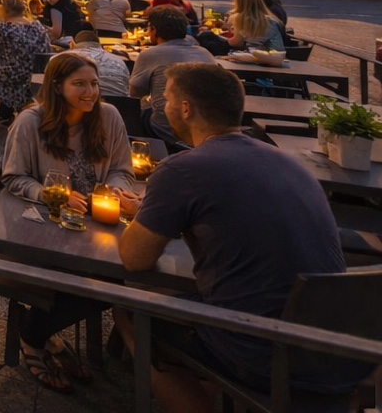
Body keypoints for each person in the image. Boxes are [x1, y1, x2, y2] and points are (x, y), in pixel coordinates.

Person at [116, 62, 367, 411]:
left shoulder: (181, 169)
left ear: (186, 108)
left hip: (264, 351)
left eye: (166, 99)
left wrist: (147, 216)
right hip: (339, 345)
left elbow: (134, 258)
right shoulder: (293, 164)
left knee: (130, 311)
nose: (161, 105)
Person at [0, 52, 136, 392]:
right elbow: (12, 178)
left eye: (93, 84)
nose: (90, 92)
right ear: (57, 87)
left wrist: (115, 191)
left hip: (99, 225)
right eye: (79, 84)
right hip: (46, 227)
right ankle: (34, 335)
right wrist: (52, 194)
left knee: (129, 275)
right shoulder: (31, 123)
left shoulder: (109, 117)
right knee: (112, 283)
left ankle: (40, 331)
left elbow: (122, 168)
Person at [129, 6, 216, 145]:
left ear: (154, 30)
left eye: (149, 28)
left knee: (138, 110)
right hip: (206, 129)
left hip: (167, 130)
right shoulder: (205, 53)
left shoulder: (149, 54)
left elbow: (135, 93)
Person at [0, 0, 53, 128]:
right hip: (35, 76)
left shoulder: (1, 28)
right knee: (4, 69)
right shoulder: (39, 27)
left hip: (11, 76)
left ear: (4, 10)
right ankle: (4, 114)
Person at [205, 0, 285, 56]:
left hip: (249, 55)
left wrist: (217, 36)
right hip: (272, 56)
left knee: (207, 35)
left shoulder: (239, 18)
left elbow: (236, 43)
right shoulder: (273, 20)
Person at [70, 31, 130, 96]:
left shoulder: (64, 59)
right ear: (100, 45)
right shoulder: (119, 62)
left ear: (72, 44)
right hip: (120, 104)